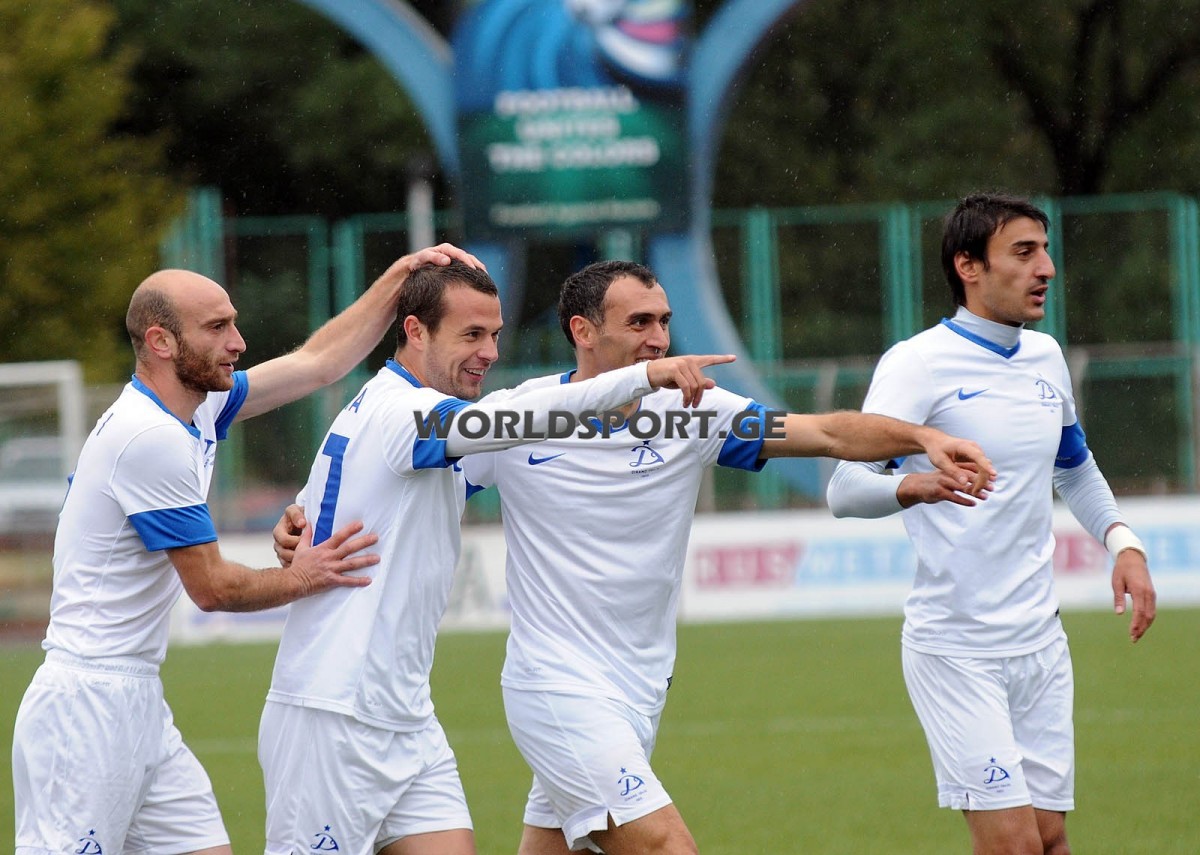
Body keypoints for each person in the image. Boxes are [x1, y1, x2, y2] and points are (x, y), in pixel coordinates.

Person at [278, 259, 994, 855]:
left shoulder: (693, 411)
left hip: (640, 689)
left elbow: (825, 433)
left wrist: (921, 439)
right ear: (583, 332)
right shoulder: (517, 416)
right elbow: (411, 474)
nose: (658, 339)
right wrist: (309, 520)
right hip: (554, 687)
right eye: (639, 323)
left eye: (664, 322)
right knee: (665, 846)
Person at [10, 244, 481, 855]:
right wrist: (305, 576)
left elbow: (318, 363)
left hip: (138, 700)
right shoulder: (148, 437)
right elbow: (213, 588)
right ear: (161, 342)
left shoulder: (195, 409)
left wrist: (399, 277)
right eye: (217, 327)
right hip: (85, 709)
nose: (238, 342)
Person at [257, 260, 737, 855]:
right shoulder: (402, 413)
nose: (488, 352)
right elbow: (520, 421)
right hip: (334, 711)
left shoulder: (389, 407)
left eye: (494, 334)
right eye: (471, 335)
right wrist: (641, 378)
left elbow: (315, 509)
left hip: (405, 716)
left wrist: (292, 523)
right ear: (415, 331)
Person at [825, 193, 1157, 855]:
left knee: (1049, 838)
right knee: (1014, 844)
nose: (1047, 268)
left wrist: (1124, 543)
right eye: (1024, 252)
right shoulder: (917, 363)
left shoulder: (1046, 357)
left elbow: (1075, 467)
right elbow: (844, 488)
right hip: (957, 650)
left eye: (1046, 250)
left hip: (1041, 643)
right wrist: (915, 484)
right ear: (968, 266)